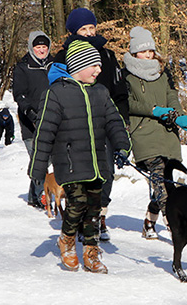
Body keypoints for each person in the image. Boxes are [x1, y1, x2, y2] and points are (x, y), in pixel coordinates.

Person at [28, 40, 131, 273]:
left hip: (95, 162)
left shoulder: (101, 92)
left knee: (94, 208)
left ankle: (91, 250)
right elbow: (44, 132)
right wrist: (38, 168)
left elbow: (114, 121)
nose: (99, 69)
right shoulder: (55, 94)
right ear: (78, 66)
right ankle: (66, 239)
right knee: (77, 203)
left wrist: (122, 146)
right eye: (94, 65)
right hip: (70, 162)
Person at [55, 8, 129, 241]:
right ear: (73, 32)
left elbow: (120, 92)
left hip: (105, 122)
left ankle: (99, 217)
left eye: (91, 28)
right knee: (80, 174)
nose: (88, 33)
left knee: (105, 172)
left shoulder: (107, 56)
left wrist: (122, 121)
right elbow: (56, 91)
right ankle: (78, 218)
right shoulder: (62, 56)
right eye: (83, 29)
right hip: (75, 125)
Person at [122, 26, 187, 239]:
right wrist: (153, 110)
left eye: (151, 51)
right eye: (143, 52)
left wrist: (178, 114)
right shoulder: (126, 74)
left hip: (166, 131)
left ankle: (149, 223)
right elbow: (127, 103)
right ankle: (173, 225)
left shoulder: (162, 71)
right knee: (159, 176)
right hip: (143, 130)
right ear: (134, 53)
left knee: (164, 180)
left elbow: (171, 94)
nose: (148, 55)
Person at [13, 31, 54, 207]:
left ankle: (33, 194)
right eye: (38, 47)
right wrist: (30, 113)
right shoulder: (23, 67)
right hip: (31, 124)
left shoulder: (56, 65)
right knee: (39, 159)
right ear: (31, 47)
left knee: (48, 158)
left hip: (53, 120)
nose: (42, 50)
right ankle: (40, 196)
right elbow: (19, 94)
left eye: (44, 47)